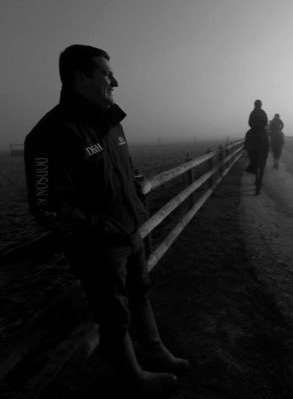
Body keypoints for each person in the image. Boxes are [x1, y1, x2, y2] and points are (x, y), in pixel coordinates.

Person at [24, 45, 189, 395]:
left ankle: (155, 351)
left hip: (131, 230)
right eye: (106, 73)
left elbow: (124, 171)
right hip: (99, 247)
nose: (115, 80)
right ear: (80, 78)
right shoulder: (47, 136)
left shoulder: (112, 122)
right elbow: (44, 204)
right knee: (114, 316)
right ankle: (134, 379)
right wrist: (101, 230)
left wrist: (138, 184)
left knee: (141, 293)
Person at [245, 99, 269, 174]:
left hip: (254, 128)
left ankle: (246, 146)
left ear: (255, 105)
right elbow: (266, 122)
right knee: (266, 138)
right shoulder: (263, 112)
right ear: (260, 105)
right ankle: (267, 148)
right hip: (261, 129)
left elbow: (249, 122)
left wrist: (254, 125)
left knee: (248, 134)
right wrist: (261, 126)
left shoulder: (253, 112)